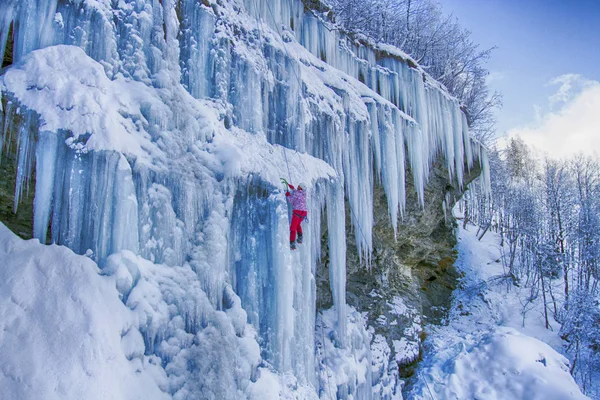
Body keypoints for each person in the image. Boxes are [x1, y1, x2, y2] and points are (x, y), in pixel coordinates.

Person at [282, 179, 307, 250]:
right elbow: (296, 192)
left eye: (298, 186)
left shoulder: (297, 193)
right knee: (298, 224)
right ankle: (300, 238)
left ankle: (292, 243)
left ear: (300, 188)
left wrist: (288, 195)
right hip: (303, 212)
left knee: (293, 228)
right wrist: (292, 188)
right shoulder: (303, 193)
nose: (297, 186)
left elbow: (291, 200)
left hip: (297, 212)